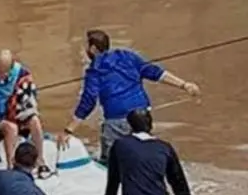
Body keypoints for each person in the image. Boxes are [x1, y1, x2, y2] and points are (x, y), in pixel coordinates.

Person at [58, 29, 200, 161]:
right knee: (141, 155)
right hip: (143, 116)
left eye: (86, 47)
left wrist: (69, 130)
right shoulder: (127, 56)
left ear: (93, 49)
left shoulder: (94, 71)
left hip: (117, 122)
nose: (84, 51)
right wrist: (184, 84)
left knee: (111, 161)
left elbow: (88, 101)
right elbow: (155, 72)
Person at [104, 108, 196, 195]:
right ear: (151, 125)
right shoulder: (165, 148)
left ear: (130, 126)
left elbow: (113, 179)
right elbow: (180, 186)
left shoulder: (120, 145)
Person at [0, 49, 49, 176]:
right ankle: (11, 166)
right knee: (11, 128)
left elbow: (30, 98)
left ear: (11, 68)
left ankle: (40, 161)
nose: (1, 75)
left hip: (17, 111)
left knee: (35, 121)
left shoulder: (21, 73)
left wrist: (24, 111)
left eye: (5, 72)